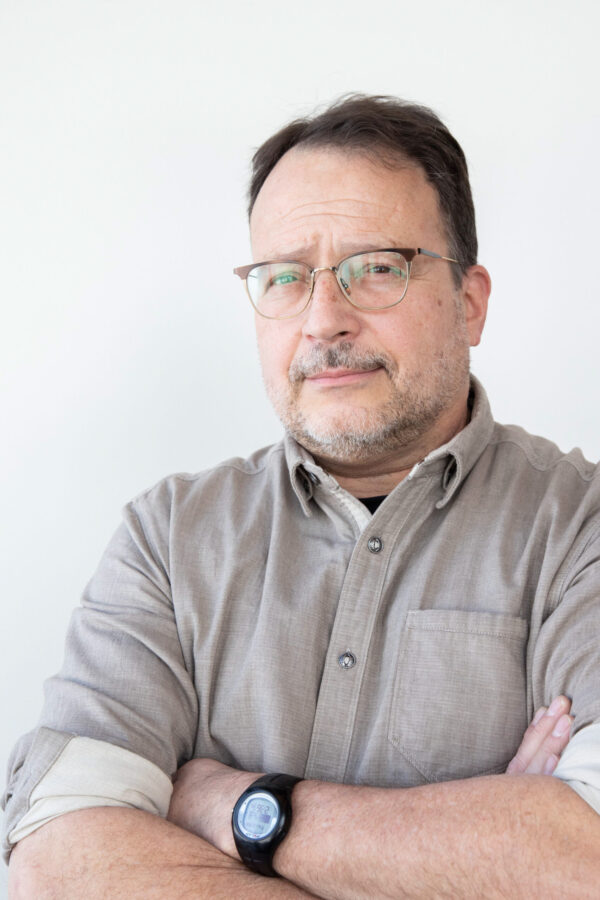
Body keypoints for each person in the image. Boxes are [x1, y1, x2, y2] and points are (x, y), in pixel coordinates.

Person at [4, 94, 600, 898]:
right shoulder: (169, 538)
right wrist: (495, 844)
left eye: (378, 267)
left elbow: (587, 859)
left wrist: (224, 803)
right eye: (285, 277)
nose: (324, 318)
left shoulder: (579, 526)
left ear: (470, 302)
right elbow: (57, 859)